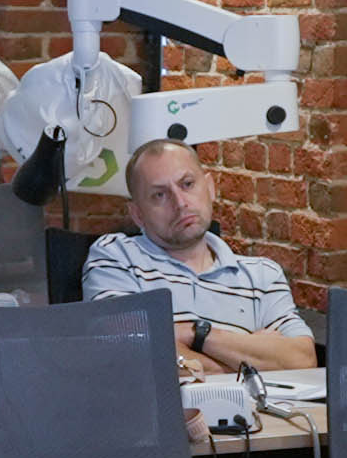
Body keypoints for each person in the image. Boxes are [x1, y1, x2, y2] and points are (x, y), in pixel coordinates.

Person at [80, 139, 315, 372]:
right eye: (159, 195)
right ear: (137, 214)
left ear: (210, 188)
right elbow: (128, 352)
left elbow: (303, 360)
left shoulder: (262, 275)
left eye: (188, 184)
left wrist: (196, 334)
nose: (180, 203)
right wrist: (249, 359)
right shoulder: (116, 256)